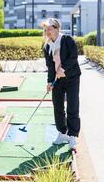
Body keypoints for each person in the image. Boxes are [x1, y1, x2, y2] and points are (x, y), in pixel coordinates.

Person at [42, 18, 81, 150]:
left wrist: (63, 68)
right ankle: (62, 132)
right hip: (57, 80)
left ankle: (73, 136)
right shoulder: (47, 46)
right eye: (46, 29)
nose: (47, 31)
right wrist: (49, 81)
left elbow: (73, 57)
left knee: (72, 105)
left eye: (50, 28)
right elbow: (50, 66)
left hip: (72, 78)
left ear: (57, 28)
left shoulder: (67, 39)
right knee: (57, 106)